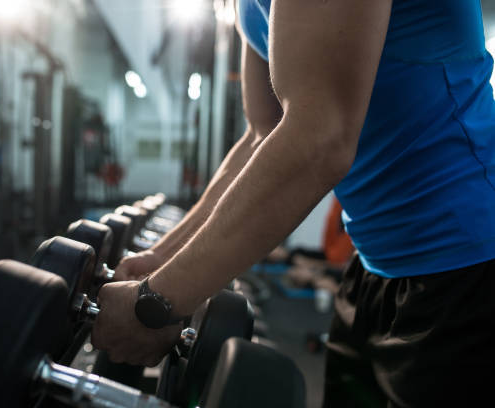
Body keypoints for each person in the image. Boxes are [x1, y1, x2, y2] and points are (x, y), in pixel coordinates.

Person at [92, 1, 495, 406]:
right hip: (374, 267)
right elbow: (262, 136)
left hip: (467, 265)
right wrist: (162, 258)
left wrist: (158, 302)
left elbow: (320, 139)